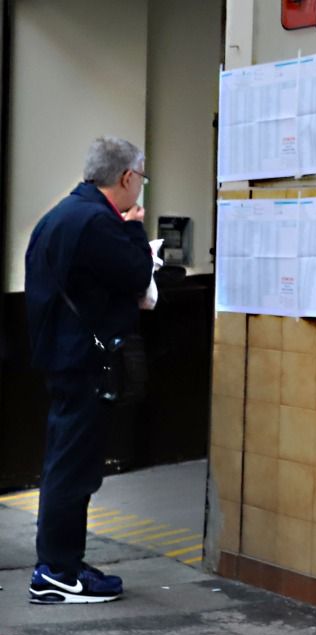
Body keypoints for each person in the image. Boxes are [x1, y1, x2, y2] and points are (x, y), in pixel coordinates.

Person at [24, 136, 154, 604]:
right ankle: (57, 571)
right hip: (86, 361)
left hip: (61, 357)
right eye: (140, 177)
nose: (139, 187)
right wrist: (136, 230)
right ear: (126, 177)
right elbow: (138, 274)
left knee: (66, 463)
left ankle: (63, 563)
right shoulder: (99, 223)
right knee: (73, 469)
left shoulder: (59, 216)